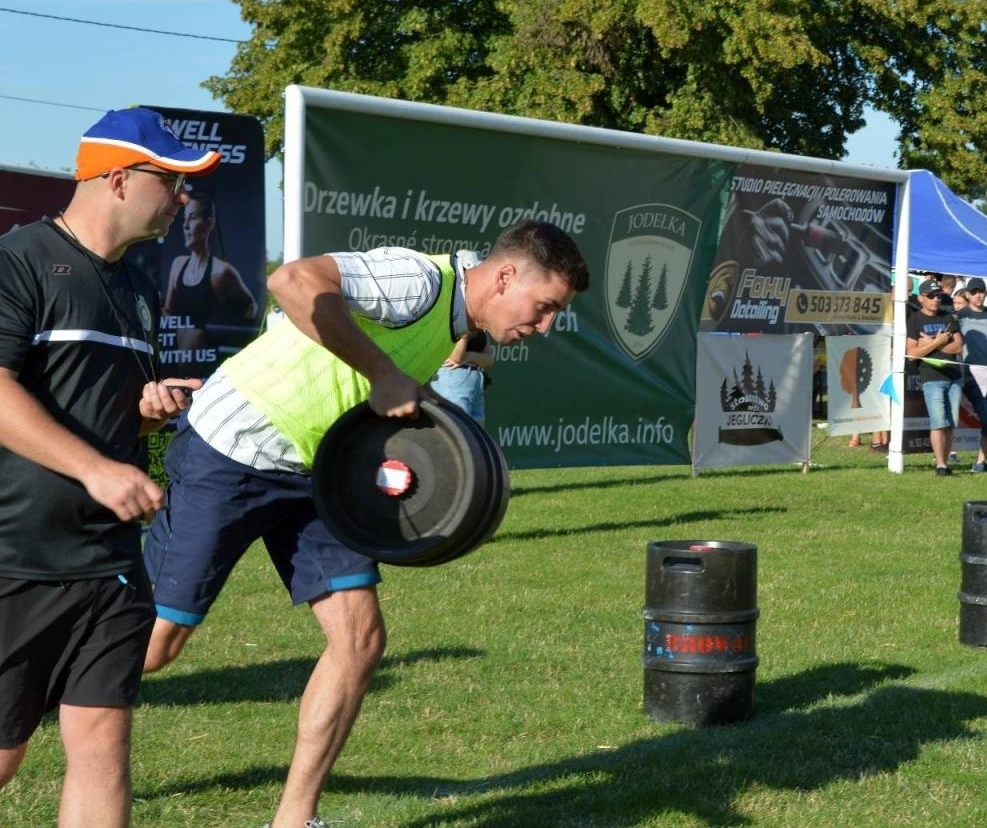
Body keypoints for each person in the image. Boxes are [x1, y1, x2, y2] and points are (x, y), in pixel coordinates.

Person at [141, 221, 589, 828]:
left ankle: (295, 820)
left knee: (359, 641)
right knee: (154, 646)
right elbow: (293, 281)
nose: (545, 326)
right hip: (232, 449)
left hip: (315, 473)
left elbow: (391, 390)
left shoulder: (456, 326)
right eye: (545, 307)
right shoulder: (419, 282)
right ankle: (30, 687)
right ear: (506, 276)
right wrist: (381, 373)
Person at [0, 108, 217, 826]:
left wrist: (148, 408)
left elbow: (99, 405)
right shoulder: (18, 261)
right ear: (119, 179)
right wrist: (96, 469)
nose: (183, 198)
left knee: (102, 745)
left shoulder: (138, 288)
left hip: (110, 560)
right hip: (16, 557)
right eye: (172, 181)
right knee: (4, 755)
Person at [162, 190, 258, 354]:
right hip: (177, 361)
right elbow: (168, 313)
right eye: (184, 218)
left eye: (192, 218)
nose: (185, 225)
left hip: (208, 363)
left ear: (209, 223)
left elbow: (251, 306)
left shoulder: (220, 272)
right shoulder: (178, 265)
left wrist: (228, 341)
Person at [905, 277, 964, 476]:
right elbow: (912, 353)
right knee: (938, 422)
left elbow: (958, 346)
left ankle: (945, 463)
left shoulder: (948, 317)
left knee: (950, 423)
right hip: (932, 377)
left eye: (938, 296)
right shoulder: (915, 320)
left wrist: (930, 343)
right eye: (930, 296)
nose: (935, 299)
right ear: (921, 298)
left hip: (953, 376)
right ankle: (940, 465)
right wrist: (938, 341)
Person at [957, 279, 987, 473]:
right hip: (972, 376)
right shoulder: (960, 316)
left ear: (986, 293)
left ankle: (981, 461)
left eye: (981, 292)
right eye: (974, 292)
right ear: (967, 295)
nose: (978, 295)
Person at [430, 329, 495, 424]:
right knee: (457, 426)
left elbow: (489, 360)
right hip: (453, 378)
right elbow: (456, 358)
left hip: (475, 382)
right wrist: (464, 333)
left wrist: (470, 356)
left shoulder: (480, 327)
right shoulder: (455, 322)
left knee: (474, 431)